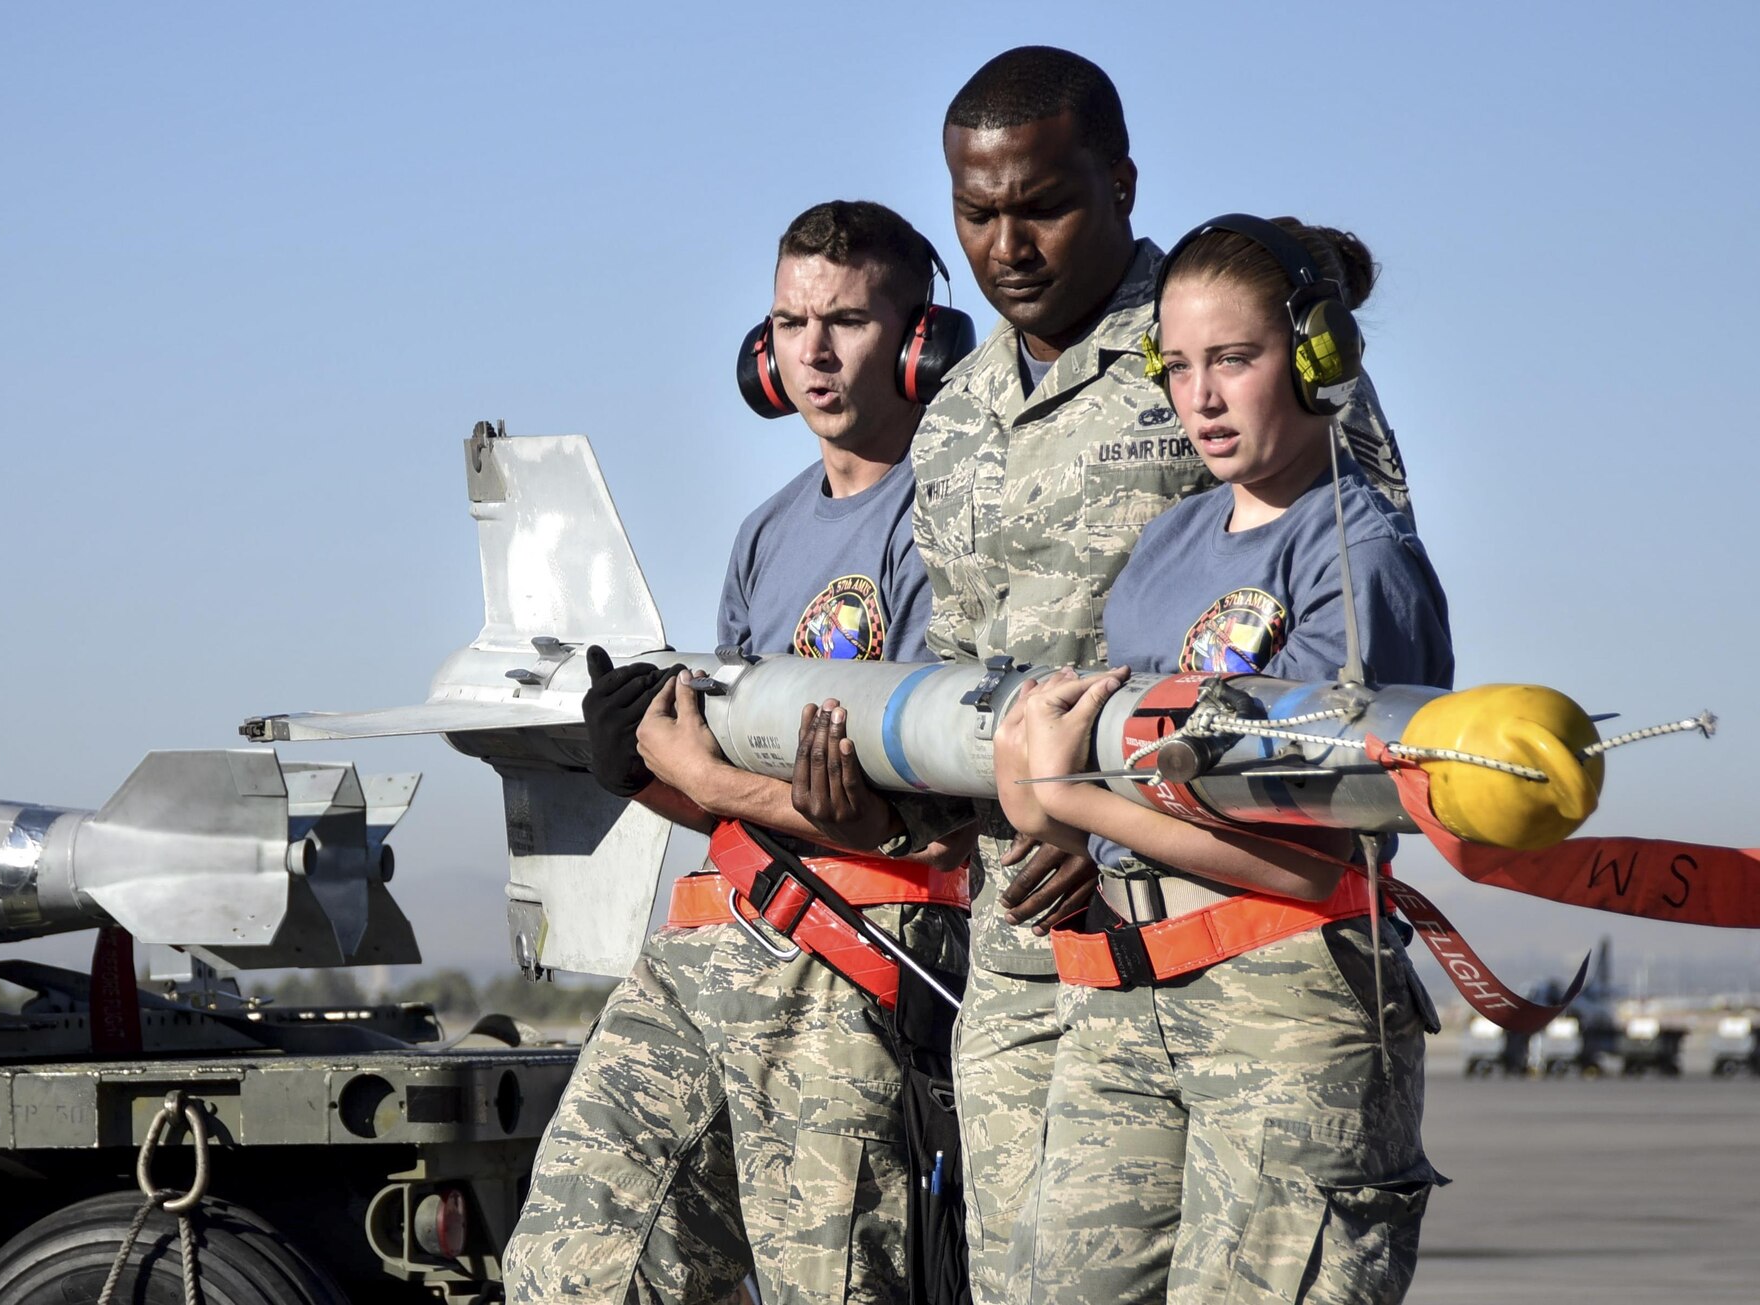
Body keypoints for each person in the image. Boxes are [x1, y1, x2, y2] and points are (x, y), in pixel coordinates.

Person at [893, 47, 1415, 1305]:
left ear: (1121, 182)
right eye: (976, 213)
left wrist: (1125, 824)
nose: (1006, 244)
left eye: (1041, 204)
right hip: (1024, 930)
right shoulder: (953, 414)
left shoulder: (1223, 338)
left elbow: (1356, 603)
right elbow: (960, 670)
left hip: (1229, 923)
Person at [501, 200, 974, 1305]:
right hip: (713, 936)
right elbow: (745, 800)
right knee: (574, 1269)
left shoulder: (947, 521)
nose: (811, 351)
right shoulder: (765, 531)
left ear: (919, 341)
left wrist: (708, 778)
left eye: (847, 321)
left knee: (840, 1286)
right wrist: (645, 771)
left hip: (855, 958)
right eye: (788, 321)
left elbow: (915, 810)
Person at [991, 215, 1451, 1303]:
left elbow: (1321, 863)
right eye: (1177, 365)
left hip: (1287, 1015)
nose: (1198, 397)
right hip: (1123, 996)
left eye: (1233, 360)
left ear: (1312, 357)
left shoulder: (1356, 550)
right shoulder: (1164, 546)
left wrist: (1068, 801)